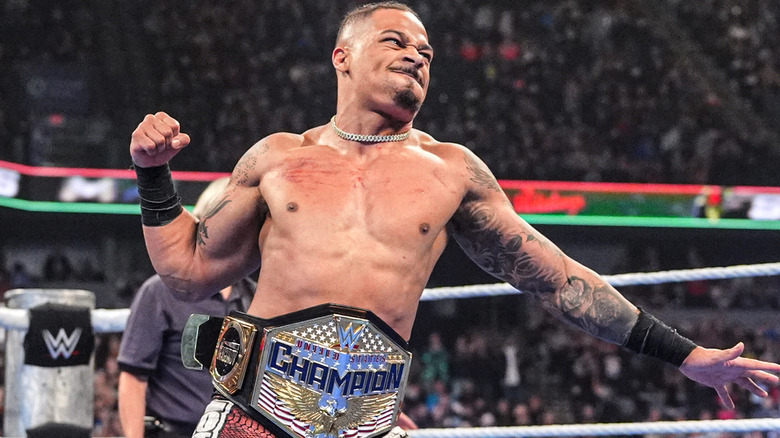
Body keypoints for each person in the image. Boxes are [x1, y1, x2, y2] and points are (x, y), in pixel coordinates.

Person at [128, 2, 780, 437]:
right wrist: (152, 173)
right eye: (395, 41)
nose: (416, 54)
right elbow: (186, 273)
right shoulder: (277, 159)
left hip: (365, 424)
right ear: (342, 56)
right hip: (255, 417)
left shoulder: (452, 172)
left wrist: (685, 354)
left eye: (426, 51)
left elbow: (558, 281)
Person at [117, 177, 256, 438]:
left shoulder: (257, 297)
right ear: (202, 225)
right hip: (174, 431)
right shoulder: (159, 292)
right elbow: (133, 377)